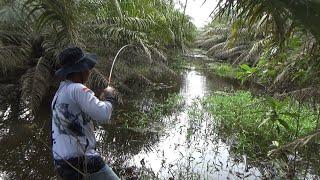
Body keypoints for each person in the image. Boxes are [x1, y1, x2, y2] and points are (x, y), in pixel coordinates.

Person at [51, 47, 120, 180]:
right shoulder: (78, 89)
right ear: (80, 70)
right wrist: (110, 97)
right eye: (87, 68)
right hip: (81, 160)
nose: (89, 71)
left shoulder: (60, 92)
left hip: (61, 162)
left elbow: (80, 114)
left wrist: (99, 100)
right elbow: (104, 115)